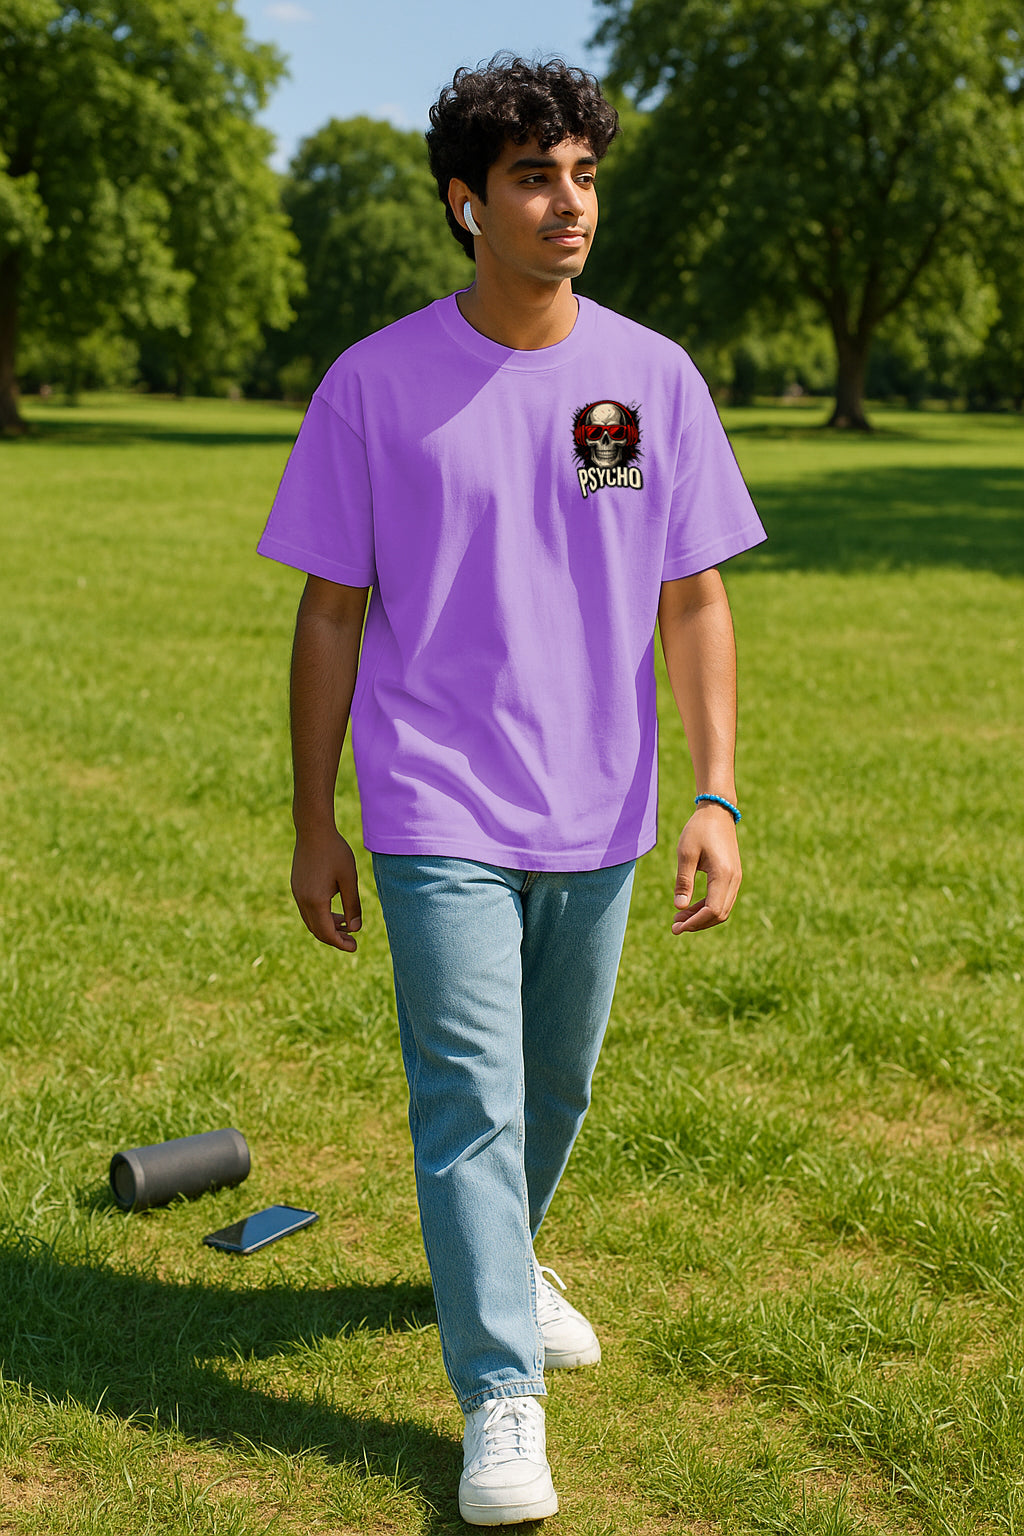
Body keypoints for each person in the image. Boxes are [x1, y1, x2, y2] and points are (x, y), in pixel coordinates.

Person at [258, 54, 766, 1527]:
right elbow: (331, 613)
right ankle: (499, 1394)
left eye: (584, 176)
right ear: (466, 203)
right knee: (470, 1100)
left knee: (555, 1088)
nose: (569, 203)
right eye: (535, 177)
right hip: (435, 803)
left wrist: (718, 795)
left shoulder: (651, 379)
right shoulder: (373, 384)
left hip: (599, 805)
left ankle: (504, 1258)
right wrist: (314, 820)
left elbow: (694, 598)